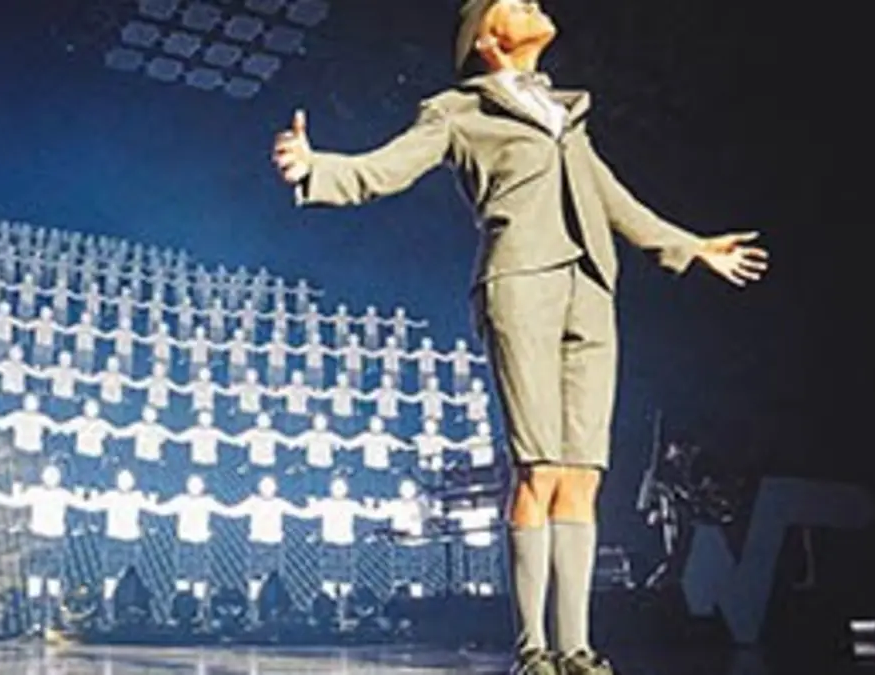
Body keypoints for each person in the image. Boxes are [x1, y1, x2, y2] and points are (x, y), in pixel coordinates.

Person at [271, 1, 769, 672]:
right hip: (519, 282)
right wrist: (316, 167)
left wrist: (692, 246)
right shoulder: (458, 110)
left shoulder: (567, 114)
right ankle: (534, 648)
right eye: (514, 1)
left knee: (583, 474)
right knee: (538, 468)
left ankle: (577, 649)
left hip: (590, 288)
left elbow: (613, 199)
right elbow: (387, 167)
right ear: (486, 39)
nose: (533, 2)